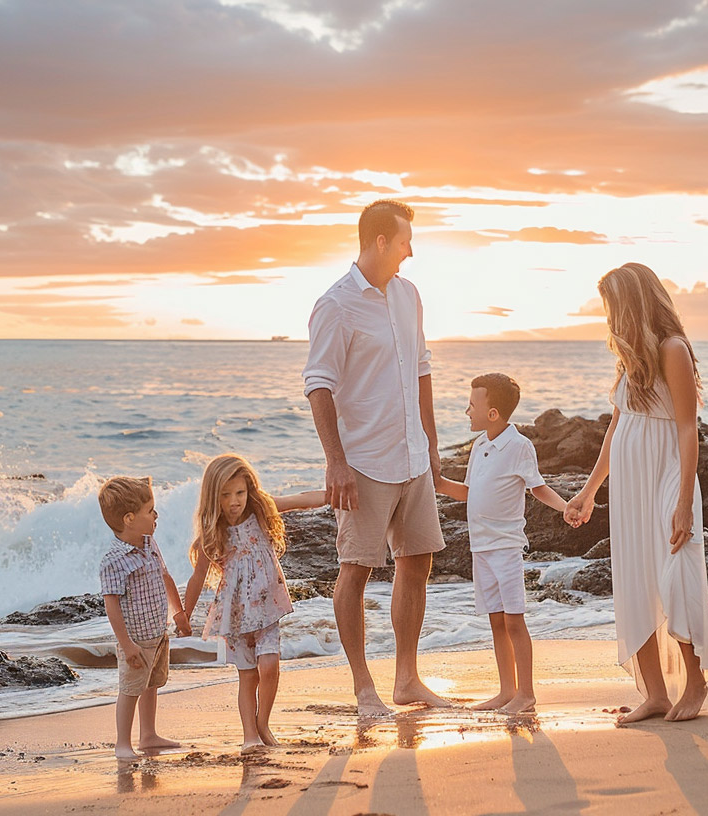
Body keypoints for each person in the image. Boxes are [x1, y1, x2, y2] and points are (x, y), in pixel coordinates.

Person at [302, 199, 450, 717]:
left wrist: (431, 443)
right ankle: (365, 688)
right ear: (381, 241)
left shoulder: (409, 295)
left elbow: (423, 369)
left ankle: (406, 679)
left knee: (417, 562)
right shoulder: (336, 304)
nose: (413, 250)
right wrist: (336, 462)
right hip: (363, 461)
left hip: (412, 456)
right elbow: (318, 385)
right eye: (406, 240)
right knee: (356, 569)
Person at [564, 263, 708, 723]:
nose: (609, 315)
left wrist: (685, 501)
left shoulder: (673, 349)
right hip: (631, 483)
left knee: (677, 574)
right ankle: (655, 694)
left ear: (632, 302)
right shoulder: (630, 358)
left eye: (612, 304)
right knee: (635, 582)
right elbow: (618, 426)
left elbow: (689, 427)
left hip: (667, 475)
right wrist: (589, 491)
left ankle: (694, 683)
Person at [435, 373, 568, 714]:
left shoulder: (519, 446)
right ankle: (506, 690)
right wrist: (436, 481)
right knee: (496, 620)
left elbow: (537, 487)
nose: (467, 411)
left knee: (513, 621)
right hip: (480, 548)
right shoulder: (479, 446)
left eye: (472, 405)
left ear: (492, 413)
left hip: (506, 548)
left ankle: (526, 693)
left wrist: (567, 508)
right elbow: (468, 493)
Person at [181, 454, 326, 752]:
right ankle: (250, 736)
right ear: (213, 496)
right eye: (225, 495)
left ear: (249, 490)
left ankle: (263, 723)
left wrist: (333, 495)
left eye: (240, 493)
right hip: (234, 616)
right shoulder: (213, 532)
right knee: (247, 676)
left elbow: (300, 499)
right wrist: (184, 614)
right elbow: (197, 578)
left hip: (267, 609)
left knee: (270, 667)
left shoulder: (260, 510)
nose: (235, 501)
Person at [97, 475, 191, 759]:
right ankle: (122, 743)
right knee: (130, 689)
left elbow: (165, 576)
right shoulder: (113, 560)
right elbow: (111, 605)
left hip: (157, 633)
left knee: (152, 684)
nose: (156, 515)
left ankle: (148, 735)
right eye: (150, 511)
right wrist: (126, 645)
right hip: (135, 639)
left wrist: (179, 613)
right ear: (129, 518)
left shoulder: (150, 543)